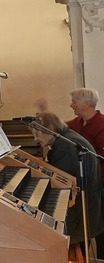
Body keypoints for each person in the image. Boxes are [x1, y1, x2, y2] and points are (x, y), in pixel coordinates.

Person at [30, 112, 104, 250]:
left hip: (82, 209)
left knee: (36, 228)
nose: (35, 139)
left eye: (37, 134)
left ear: (50, 129)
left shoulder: (65, 146)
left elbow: (63, 182)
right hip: (89, 202)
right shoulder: (66, 137)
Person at [65, 88, 104, 259]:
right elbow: (61, 127)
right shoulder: (78, 122)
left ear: (86, 104)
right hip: (83, 184)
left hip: (99, 184)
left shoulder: (102, 124)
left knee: (100, 225)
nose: (71, 105)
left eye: (74, 101)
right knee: (84, 224)